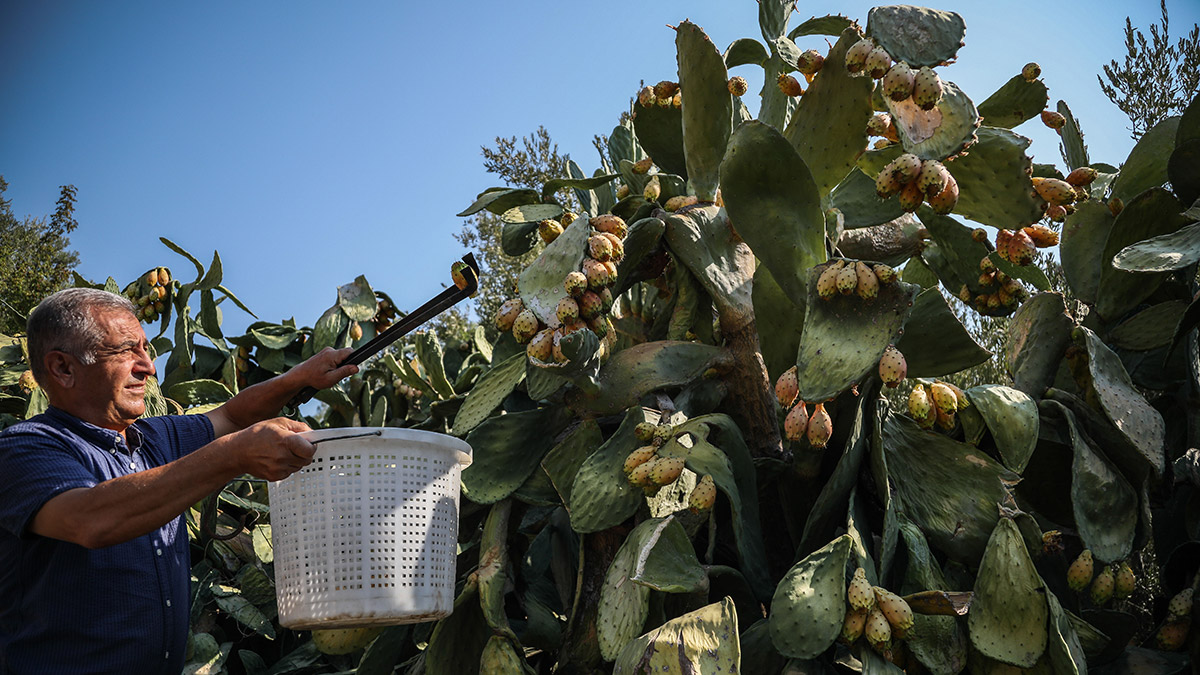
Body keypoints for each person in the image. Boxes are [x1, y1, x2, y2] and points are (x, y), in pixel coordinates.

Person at [0, 288, 359, 674]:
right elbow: (89, 519)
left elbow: (233, 418)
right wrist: (231, 455)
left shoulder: (152, 438)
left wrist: (296, 379)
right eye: (126, 351)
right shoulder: (24, 448)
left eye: (146, 348)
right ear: (63, 368)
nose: (148, 367)